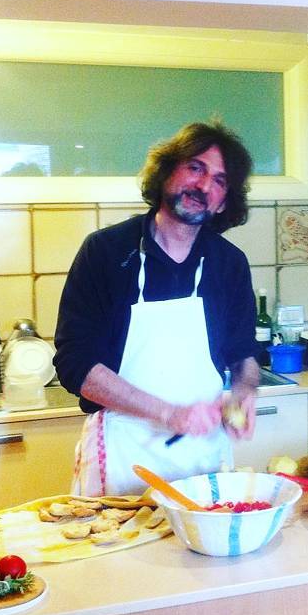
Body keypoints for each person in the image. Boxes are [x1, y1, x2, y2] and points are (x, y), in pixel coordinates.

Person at [54, 121, 260, 496]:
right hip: (123, 454)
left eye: (219, 180)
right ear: (166, 172)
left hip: (202, 455)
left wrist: (245, 391)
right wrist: (168, 414)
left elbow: (242, 353)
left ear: (223, 202)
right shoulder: (105, 252)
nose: (203, 186)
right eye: (195, 168)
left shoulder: (229, 263)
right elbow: (76, 365)